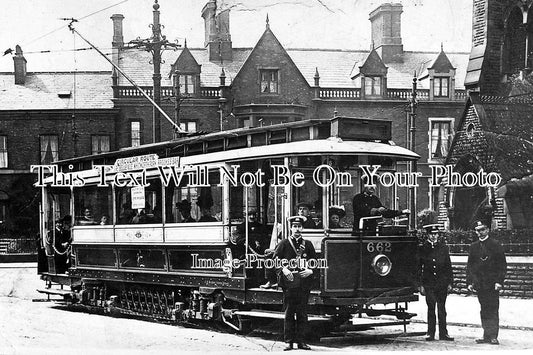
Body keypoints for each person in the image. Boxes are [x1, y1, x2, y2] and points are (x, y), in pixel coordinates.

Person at [273, 215, 316, 351]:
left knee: (302, 312)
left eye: (299, 227)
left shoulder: (307, 244)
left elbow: (315, 261)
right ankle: (289, 341)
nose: (297, 229)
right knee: (289, 312)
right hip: (289, 283)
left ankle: (302, 341)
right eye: (295, 226)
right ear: (291, 228)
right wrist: (284, 270)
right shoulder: (284, 243)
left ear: (302, 228)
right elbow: (275, 260)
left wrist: (310, 270)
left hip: (304, 283)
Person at [467, 221, 507, 345]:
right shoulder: (474, 246)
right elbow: (470, 266)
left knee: (493, 309)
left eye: (482, 229)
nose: (480, 232)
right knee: (484, 309)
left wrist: (499, 281)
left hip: (492, 284)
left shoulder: (496, 245)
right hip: (480, 284)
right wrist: (469, 282)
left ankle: (493, 336)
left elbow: (502, 265)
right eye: (477, 230)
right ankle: (486, 335)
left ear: (488, 230)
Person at [417, 224, 454, 341]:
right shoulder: (423, 248)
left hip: (442, 283)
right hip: (429, 284)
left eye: (436, 234)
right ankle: (430, 333)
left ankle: (444, 333)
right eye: (432, 234)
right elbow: (419, 267)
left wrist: (449, 283)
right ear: (428, 235)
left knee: (442, 309)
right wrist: (420, 285)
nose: (434, 236)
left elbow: (448, 266)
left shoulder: (443, 248)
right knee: (431, 308)